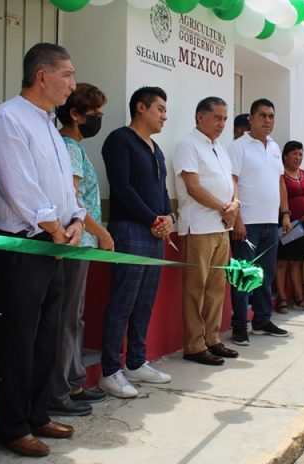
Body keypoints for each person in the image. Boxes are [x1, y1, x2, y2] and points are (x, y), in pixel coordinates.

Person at [0, 43, 86, 458]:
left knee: (47, 335)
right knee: (19, 339)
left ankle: (37, 414)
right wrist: (54, 226)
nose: (73, 85)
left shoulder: (47, 123)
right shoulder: (9, 118)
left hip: (54, 243)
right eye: (67, 75)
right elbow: (19, 185)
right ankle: (11, 427)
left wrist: (76, 219)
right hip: (24, 244)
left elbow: (63, 187)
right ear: (42, 76)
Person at [99, 86, 174, 397]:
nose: (164, 116)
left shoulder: (156, 149)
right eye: (159, 109)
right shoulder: (120, 140)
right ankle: (109, 370)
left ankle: (136, 362)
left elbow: (161, 190)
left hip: (154, 232)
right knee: (123, 302)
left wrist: (168, 218)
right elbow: (122, 187)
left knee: (144, 301)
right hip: (130, 230)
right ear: (140, 108)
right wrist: (152, 219)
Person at [49, 83, 114, 416]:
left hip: (81, 246)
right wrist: (101, 232)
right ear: (74, 114)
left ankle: (73, 382)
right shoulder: (69, 148)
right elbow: (72, 201)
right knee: (66, 319)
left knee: (73, 317)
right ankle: (60, 390)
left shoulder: (74, 146)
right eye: (94, 114)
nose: (98, 119)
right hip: (75, 244)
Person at [174, 96, 241, 366]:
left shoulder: (220, 148)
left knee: (216, 288)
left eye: (225, 118)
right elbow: (193, 187)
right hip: (199, 226)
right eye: (217, 118)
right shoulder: (187, 145)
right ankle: (194, 345)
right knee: (196, 288)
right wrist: (224, 209)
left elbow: (231, 182)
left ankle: (212, 339)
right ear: (200, 117)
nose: (222, 123)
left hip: (222, 226)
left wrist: (234, 205)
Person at [228, 98, 289, 345]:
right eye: (262, 115)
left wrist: (284, 214)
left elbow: (280, 182)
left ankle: (262, 321)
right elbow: (231, 182)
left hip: (270, 223)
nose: (267, 120)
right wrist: (237, 220)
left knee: (265, 274)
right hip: (247, 223)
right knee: (244, 275)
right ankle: (239, 326)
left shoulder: (274, 147)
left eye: (271, 116)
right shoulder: (238, 147)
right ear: (251, 119)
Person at [276, 140, 304, 313]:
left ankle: (299, 298)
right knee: (282, 262)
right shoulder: (280, 174)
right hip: (286, 223)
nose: (298, 157)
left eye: (300, 154)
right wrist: (285, 217)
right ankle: (282, 299)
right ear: (285, 156)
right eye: (294, 154)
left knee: (297, 262)